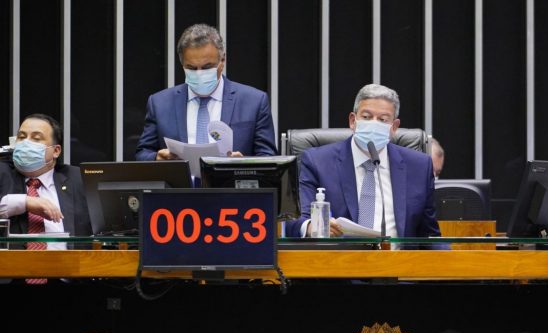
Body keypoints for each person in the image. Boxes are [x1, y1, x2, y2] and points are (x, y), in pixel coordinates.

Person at [285, 83, 442, 242]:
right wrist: (313, 227)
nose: (373, 124)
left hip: (399, 262)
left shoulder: (419, 166)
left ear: (394, 127)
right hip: (338, 263)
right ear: (353, 121)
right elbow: (293, 222)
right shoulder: (317, 162)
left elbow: (430, 235)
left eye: (383, 120)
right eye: (366, 117)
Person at [135, 23, 277, 161]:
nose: (199, 74)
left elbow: (269, 158)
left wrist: (242, 165)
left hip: (230, 184)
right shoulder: (160, 103)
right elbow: (142, 153)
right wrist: (157, 158)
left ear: (222, 60)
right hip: (180, 184)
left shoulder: (254, 101)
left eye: (207, 67)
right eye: (191, 68)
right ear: (182, 64)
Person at [0, 114, 92, 250]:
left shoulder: (79, 178)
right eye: (21, 137)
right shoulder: (3, 172)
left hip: (68, 267)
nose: (26, 143)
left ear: (55, 151)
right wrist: (25, 202)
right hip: (13, 267)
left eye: (36, 138)